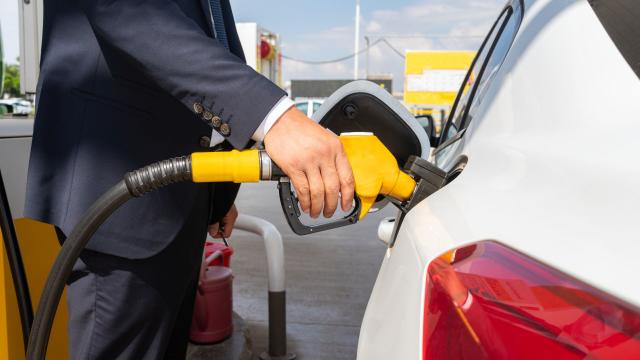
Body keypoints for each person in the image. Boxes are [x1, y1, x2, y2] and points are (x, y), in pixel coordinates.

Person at [24, 0, 355, 358]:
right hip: (119, 197)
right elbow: (132, 14)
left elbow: (216, 43)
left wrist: (219, 195)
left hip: (179, 201)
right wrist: (275, 117)